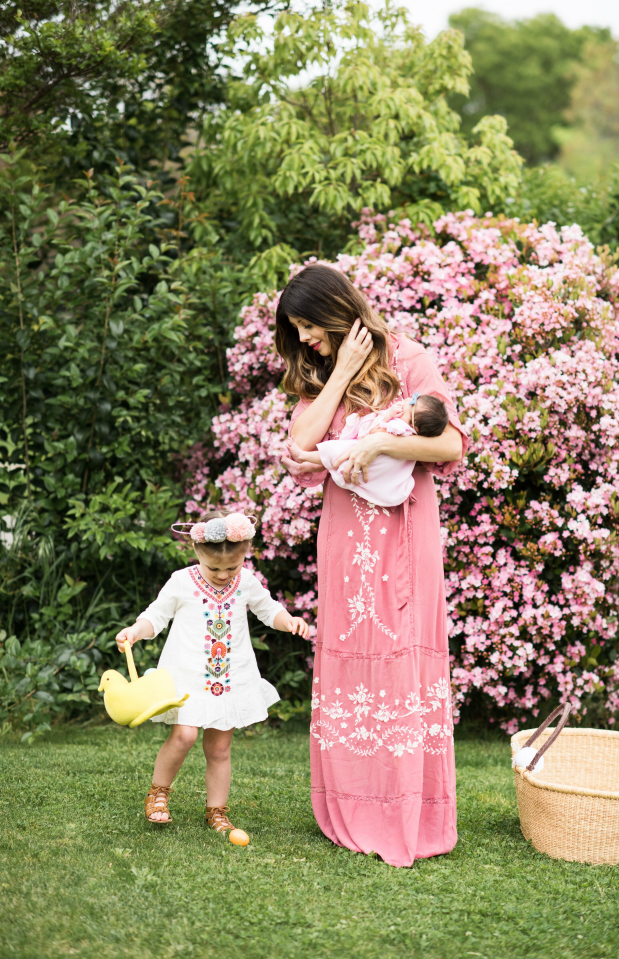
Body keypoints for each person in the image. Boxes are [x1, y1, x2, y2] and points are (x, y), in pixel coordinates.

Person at [276, 263, 467, 868]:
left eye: (310, 324)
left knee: (401, 656)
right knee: (353, 658)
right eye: (297, 329)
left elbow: (449, 446)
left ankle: (409, 807)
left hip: (405, 535)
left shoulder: (410, 359)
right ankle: (353, 804)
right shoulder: (321, 373)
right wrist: (340, 377)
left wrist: (382, 442)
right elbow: (298, 455)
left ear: (340, 308)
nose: (305, 338)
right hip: (345, 541)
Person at [115, 509, 309, 832]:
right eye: (214, 567)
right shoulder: (182, 582)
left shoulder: (245, 581)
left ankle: (216, 810)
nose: (223, 574)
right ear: (196, 552)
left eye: (231, 567)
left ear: (245, 553)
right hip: (187, 677)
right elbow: (156, 615)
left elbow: (268, 608)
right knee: (184, 735)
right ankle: (158, 793)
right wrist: (135, 630)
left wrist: (287, 621)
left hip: (228, 678)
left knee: (219, 748)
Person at [285, 392, 449, 507]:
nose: (403, 403)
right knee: (332, 459)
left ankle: (301, 456)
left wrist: (387, 416)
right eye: (408, 400)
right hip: (368, 458)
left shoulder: (400, 428)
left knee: (335, 451)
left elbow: (374, 434)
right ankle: (304, 466)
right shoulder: (408, 431)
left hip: (371, 460)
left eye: (407, 407)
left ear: (415, 426)